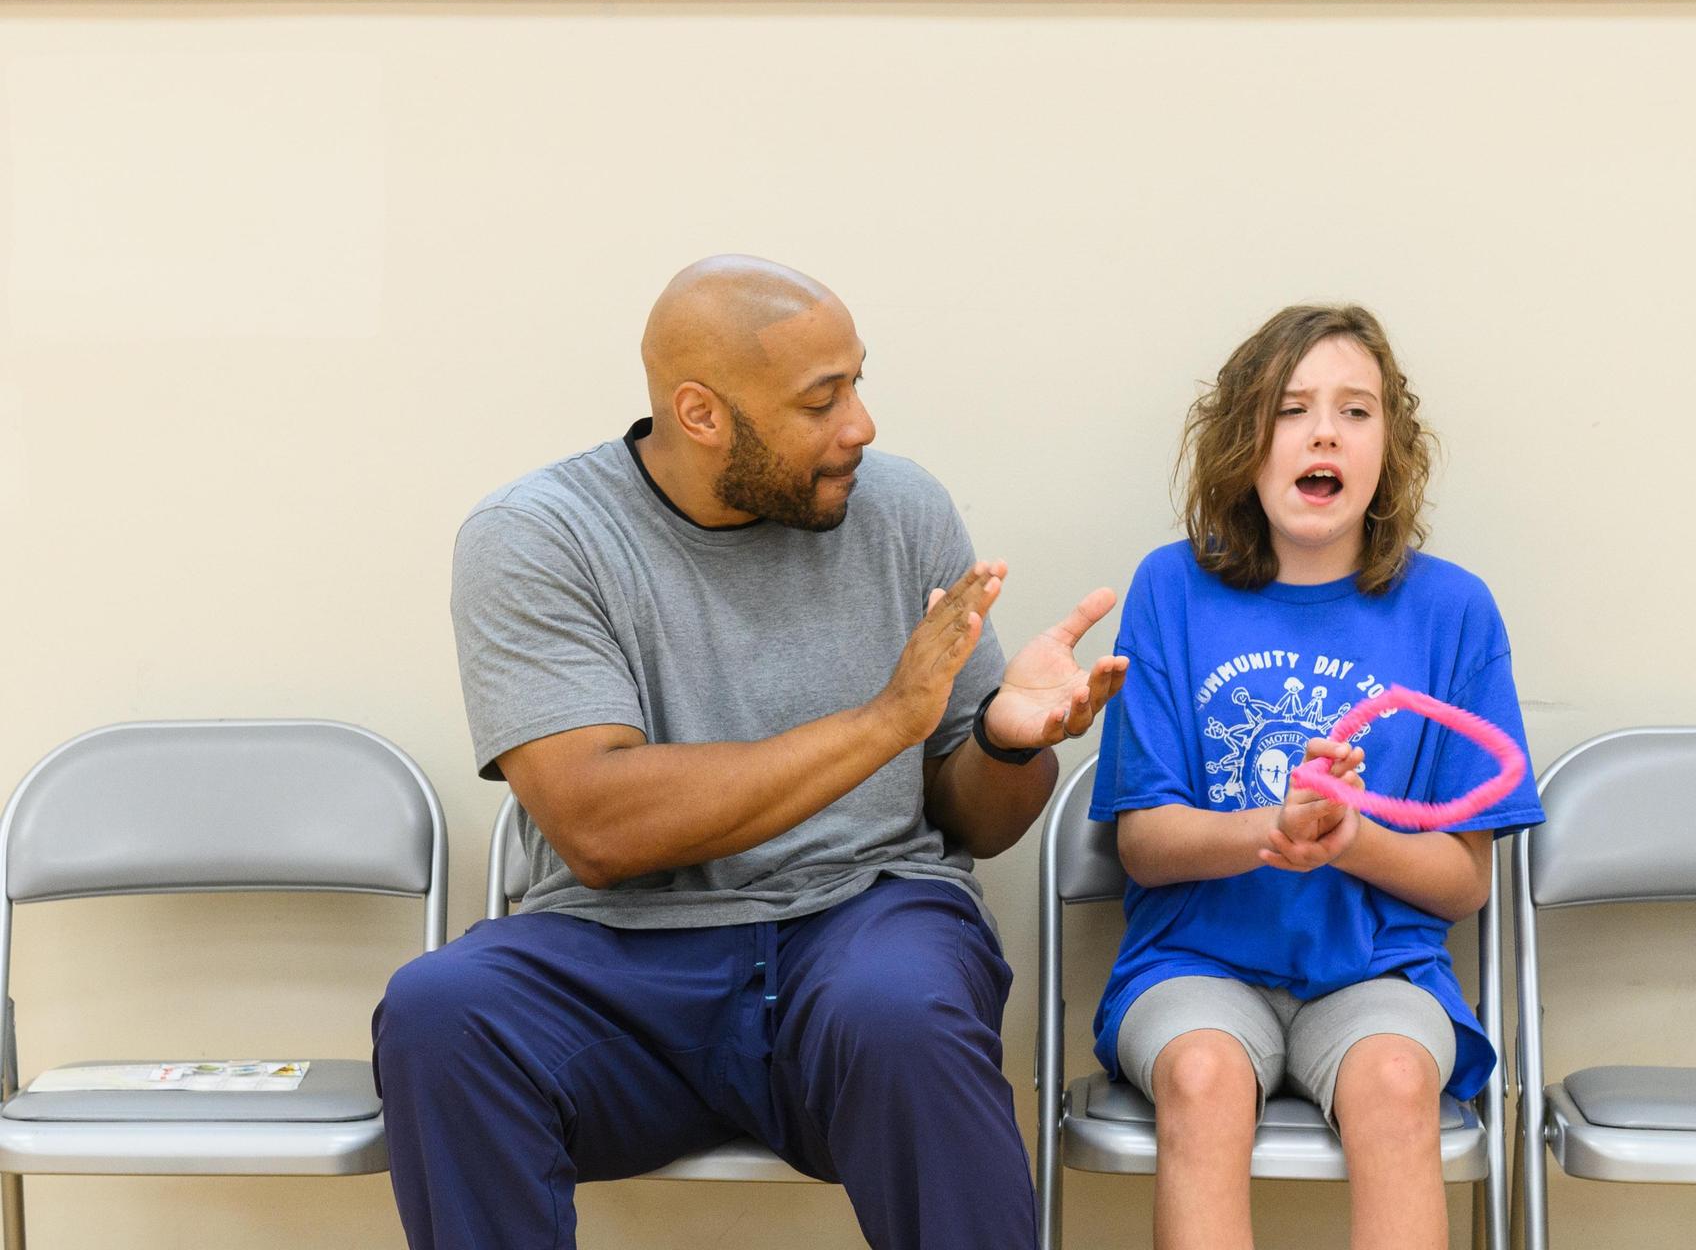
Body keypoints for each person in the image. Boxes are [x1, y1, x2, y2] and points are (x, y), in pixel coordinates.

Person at [373, 255, 1127, 1250]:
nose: (861, 423)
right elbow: (597, 823)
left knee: (904, 1010)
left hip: (864, 918)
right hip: (624, 955)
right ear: (701, 414)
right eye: (823, 400)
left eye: (858, 381)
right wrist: (882, 722)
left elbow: (972, 819)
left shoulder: (901, 510)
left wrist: (1001, 739)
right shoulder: (541, 536)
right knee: (441, 1010)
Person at [1089, 303, 1544, 1250]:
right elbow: (1145, 842)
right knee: (1204, 1079)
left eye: (1356, 411)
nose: (1324, 431)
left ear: (1389, 451)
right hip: (1193, 966)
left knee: (1394, 1081)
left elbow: (1465, 882)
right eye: (1291, 410)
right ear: (1243, 446)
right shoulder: (1169, 589)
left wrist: (1351, 835)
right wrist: (1271, 829)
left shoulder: (1453, 611)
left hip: (1381, 973)